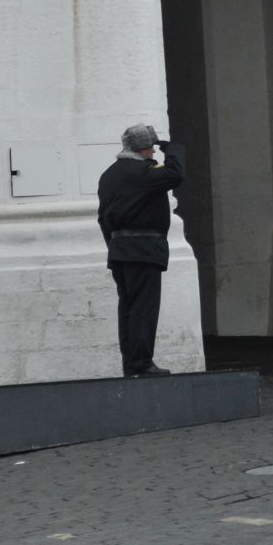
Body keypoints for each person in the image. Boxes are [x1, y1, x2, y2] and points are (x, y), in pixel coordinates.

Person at [97, 124, 186, 377]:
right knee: (143, 309)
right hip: (143, 250)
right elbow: (176, 174)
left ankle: (131, 364)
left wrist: (114, 246)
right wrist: (172, 148)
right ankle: (142, 364)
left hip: (120, 250)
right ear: (147, 148)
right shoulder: (143, 172)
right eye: (153, 148)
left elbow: (102, 219)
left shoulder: (109, 175)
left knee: (128, 308)